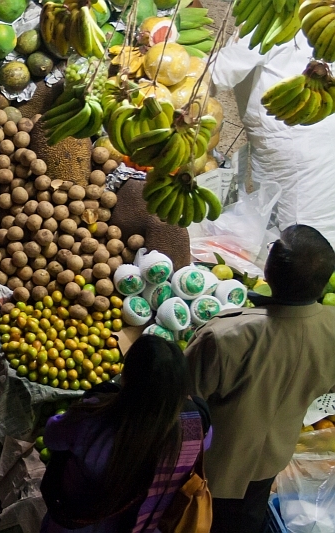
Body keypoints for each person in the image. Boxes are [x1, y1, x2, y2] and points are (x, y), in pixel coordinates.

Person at [185, 224, 335, 532]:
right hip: (271, 460)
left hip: (213, 468)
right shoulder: (331, 329)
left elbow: (183, 400)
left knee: (195, 520)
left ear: (266, 273)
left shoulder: (227, 335)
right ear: (322, 286)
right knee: (247, 520)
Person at [40, 336, 210, 533]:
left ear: (126, 376)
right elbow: (203, 444)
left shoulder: (92, 419)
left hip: (83, 523)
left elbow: (52, 437)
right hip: (144, 525)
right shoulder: (193, 428)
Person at [212, 35, 335, 247]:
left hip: (296, 152)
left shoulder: (277, 18)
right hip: (307, 143)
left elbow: (215, 75)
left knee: (297, 240)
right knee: (295, 231)